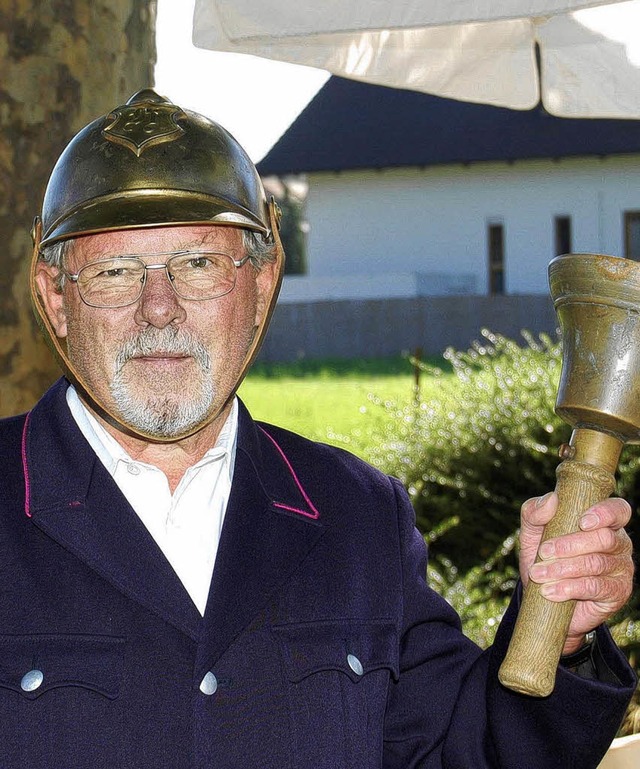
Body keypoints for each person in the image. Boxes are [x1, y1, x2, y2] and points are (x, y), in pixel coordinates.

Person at [0, 88, 635, 768]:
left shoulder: (358, 512)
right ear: (55, 299)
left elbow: (463, 751)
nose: (161, 308)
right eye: (116, 271)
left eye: (199, 265)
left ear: (264, 282)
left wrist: (560, 630)